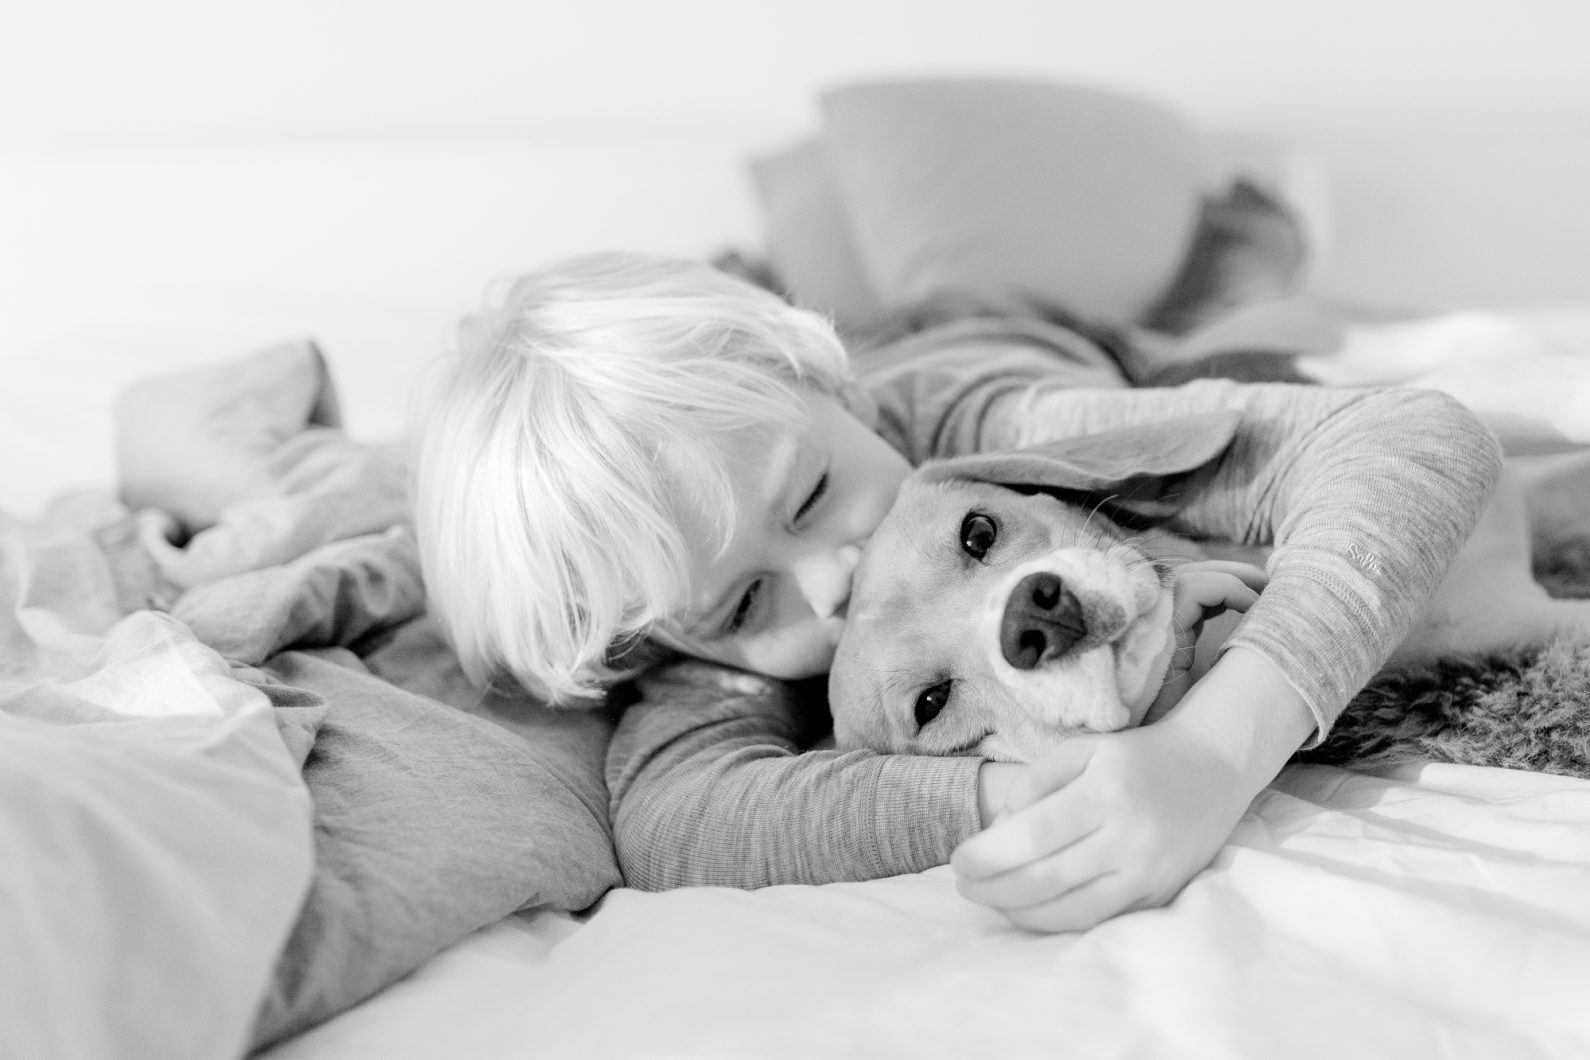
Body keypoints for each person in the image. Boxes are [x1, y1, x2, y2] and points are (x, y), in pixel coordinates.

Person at [410, 251, 1503, 932]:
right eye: (746, 605)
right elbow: (679, 823)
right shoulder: (692, 637)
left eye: (813, 494)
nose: (830, 581)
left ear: (831, 391)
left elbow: (1408, 433)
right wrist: (1006, 791)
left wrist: (1217, 748)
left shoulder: (982, 428)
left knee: (1204, 328)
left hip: (1013, 328)